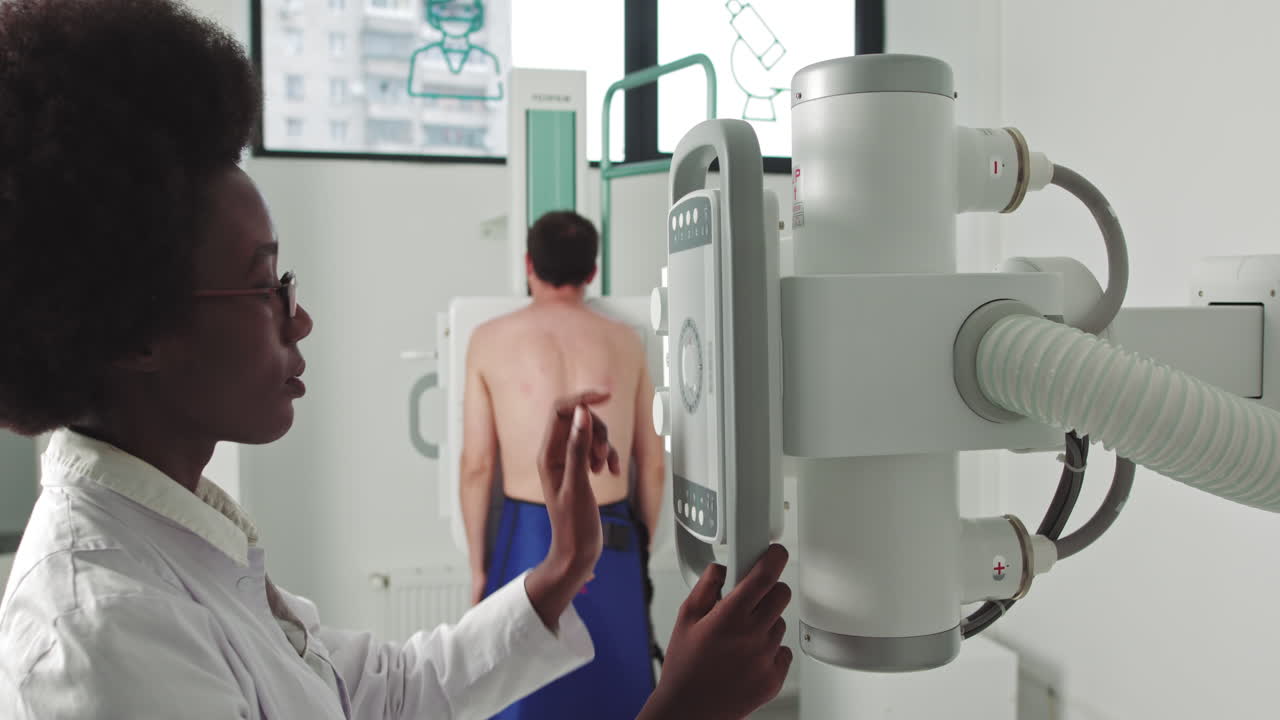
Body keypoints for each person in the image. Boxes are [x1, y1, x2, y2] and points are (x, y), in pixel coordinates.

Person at [0, 1, 793, 719]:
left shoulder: (184, 549)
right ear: (137, 328)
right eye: (264, 286)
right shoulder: (99, 636)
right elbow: (645, 458)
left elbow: (387, 689)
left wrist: (561, 564)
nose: (299, 317)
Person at [461, 211, 665, 718]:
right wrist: (641, 551)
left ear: (529, 264)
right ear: (592, 272)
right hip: (611, 537)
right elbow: (652, 464)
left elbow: (476, 467)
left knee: (520, 688)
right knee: (616, 691)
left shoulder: (488, 339)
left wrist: (477, 568)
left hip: (529, 536)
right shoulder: (626, 341)